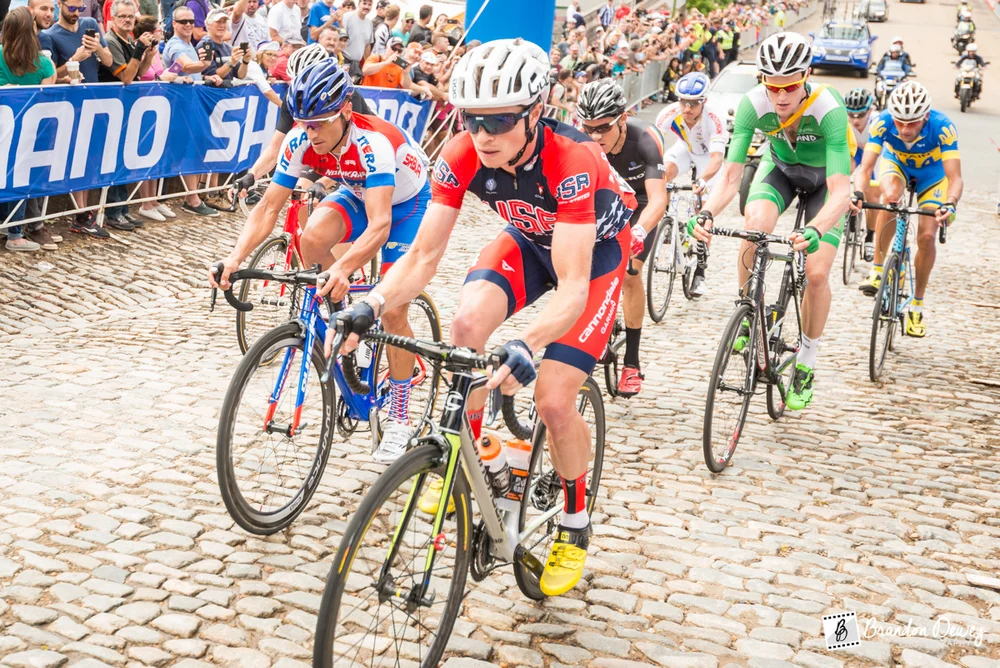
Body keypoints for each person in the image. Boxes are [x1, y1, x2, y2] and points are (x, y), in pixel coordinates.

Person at [334, 39, 637, 597]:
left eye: (499, 121)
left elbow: (572, 286)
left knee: (552, 399)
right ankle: (464, 459)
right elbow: (422, 257)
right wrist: (370, 304)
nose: (483, 134)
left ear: (535, 112)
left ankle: (575, 521)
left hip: (593, 257)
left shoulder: (573, 159)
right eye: (472, 120)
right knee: (466, 329)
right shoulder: (460, 153)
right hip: (528, 238)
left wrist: (526, 341)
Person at [210, 60, 429, 463]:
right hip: (358, 191)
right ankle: (349, 321)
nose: (311, 133)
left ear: (345, 111)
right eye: (304, 124)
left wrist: (343, 268)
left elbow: (380, 224)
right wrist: (235, 257)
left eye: (319, 124)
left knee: (394, 308)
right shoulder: (300, 139)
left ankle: (399, 417)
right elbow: (269, 207)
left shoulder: (373, 143)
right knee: (310, 239)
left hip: (405, 205)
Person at [691, 32, 853, 412]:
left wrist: (816, 228)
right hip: (779, 170)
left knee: (816, 273)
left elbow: (841, 191)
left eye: (790, 86)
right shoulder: (753, 104)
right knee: (754, 225)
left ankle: (807, 360)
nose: (781, 97)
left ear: (807, 77)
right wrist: (707, 213)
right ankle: (749, 310)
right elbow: (731, 176)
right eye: (773, 85)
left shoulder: (828, 107)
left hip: (824, 184)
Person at [576, 78, 666, 397]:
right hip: (606, 200)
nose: (595, 136)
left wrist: (639, 230)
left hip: (640, 205)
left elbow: (658, 200)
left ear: (623, 118)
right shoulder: (581, 142)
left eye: (603, 127)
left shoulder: (645, 139)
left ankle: (632, 362)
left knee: (630, 275)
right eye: (589, 128)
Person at [851, 82, 962, 337]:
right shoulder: (882, 122)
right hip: (897, 165)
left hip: (932, 176)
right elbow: (865, 169)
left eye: (912, 123)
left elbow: (955, 178)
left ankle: (917, 306)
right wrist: (858, 193)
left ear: (926, 116)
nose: (904, 129)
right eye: (899, 122)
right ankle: (877, 269)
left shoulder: (943, 127)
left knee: (927, 236)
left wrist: (951, 202)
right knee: (890, 198)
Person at [41, 0, 114, 237]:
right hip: (69, 106)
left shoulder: (90, 23)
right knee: (75, 159)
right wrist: (76, 57)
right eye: (71, 8)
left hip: (94, 100)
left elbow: (109, 61)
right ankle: (81, 214)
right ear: (59, 4)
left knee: (90, 158)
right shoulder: (50, 35)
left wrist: (98, 47)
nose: (76, 13)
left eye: (79, 8)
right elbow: (51, 74)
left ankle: (85, 212)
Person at [654, 72, 727, 297]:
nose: (687, 108)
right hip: (685, 149)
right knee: (662, 174)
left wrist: (703, 180)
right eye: (684, 102)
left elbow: (717, 159)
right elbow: (654, 147)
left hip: (708, 158)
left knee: (704, 216)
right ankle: (667, 219)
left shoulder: (714, 118)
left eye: (694, 103)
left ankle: (700, 272)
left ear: (704, 101)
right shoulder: (669, 113)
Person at [0, 7, 56, 252]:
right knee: (20, 179)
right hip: (28, 134)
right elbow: (48, 95)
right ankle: (14, 234)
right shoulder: (43, 63)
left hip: (4, 130)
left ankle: (9, 228)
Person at [844, 87, 878, 263]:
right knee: (842, 173)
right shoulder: (843, 121)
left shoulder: (877, 122)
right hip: (855, 150)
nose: (855, 120)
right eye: (851, 115)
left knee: (873, 194)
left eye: (860, 115)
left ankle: (870, 236)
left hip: (874, 154)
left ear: (870, 111)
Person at [342, 0, 372, 81]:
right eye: (364, 3)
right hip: (344, 61)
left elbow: (367, 45)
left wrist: (367, 64)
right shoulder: (347, 17)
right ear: (359, 4)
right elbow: (339, 39)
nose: (367, 7)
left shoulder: (369, 23)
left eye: (369, 5)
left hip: (356, 66)